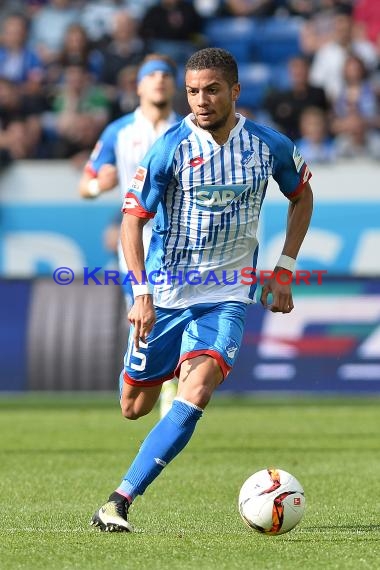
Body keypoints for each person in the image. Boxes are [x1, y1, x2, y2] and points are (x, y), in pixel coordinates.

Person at [90, 47, 313, 533]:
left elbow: (301, 194)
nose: (201, 100)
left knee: (199, 386)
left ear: (235, 91)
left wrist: (285, 268)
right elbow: (133, 222)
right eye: (192, 91)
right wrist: (142, 293)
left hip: (228, 291)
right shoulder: (169, 147)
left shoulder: (268, 145)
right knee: (134, 407)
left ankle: (118, 501)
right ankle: (164, 368)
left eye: (212, 90)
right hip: (166, 293)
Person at [78, 53, 182, 417]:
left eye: (166, 75)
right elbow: (85, 183)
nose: (159, 80)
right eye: (151, 75)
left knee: (180, 315)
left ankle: (171, 389)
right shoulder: (119, 132)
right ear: (138, 85)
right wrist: (96, 187)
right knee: (144, 319)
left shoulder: (187, 129)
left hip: (180, 242)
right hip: (136, 243)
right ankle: (144, 382)